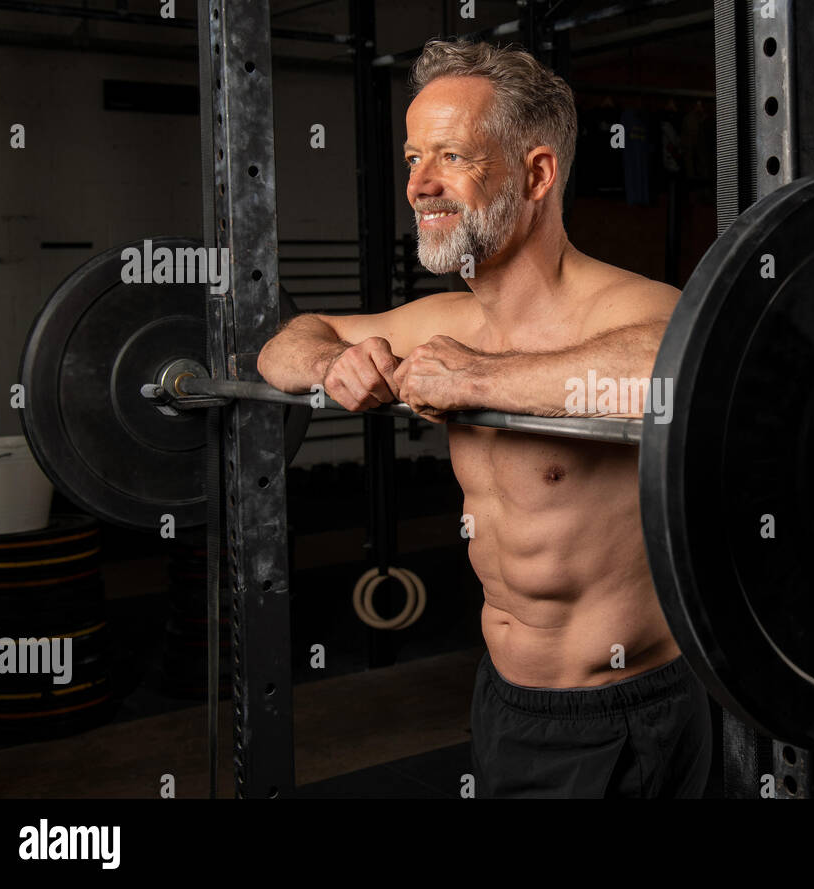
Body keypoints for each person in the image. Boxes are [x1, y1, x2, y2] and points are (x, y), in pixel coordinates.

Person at [256, 38, 712, 798]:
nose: (419, 186)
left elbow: (673, 376)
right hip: (502, 700)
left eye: (450, 157)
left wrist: (479, 378)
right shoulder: (448, 317)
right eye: (410, 159)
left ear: (536, 173)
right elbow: (285, 342)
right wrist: (329, 364)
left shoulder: (636, 309)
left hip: (622, 712)